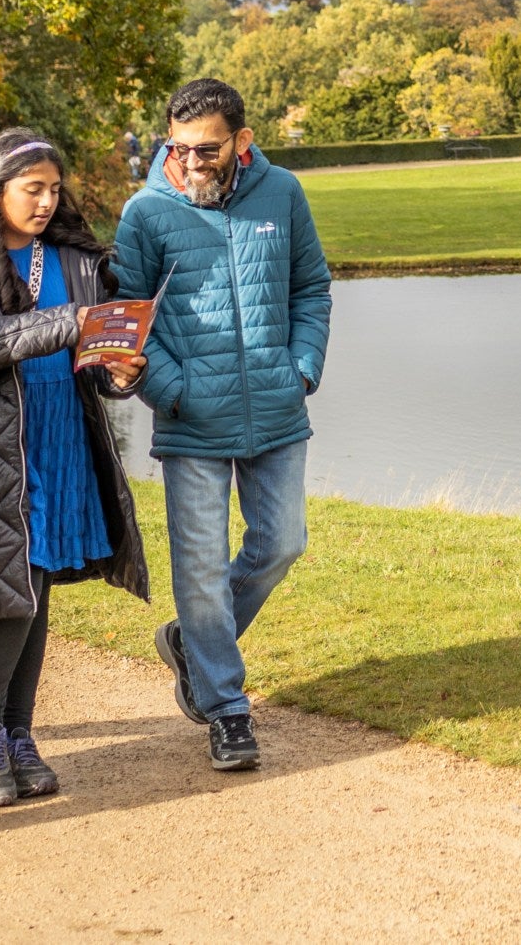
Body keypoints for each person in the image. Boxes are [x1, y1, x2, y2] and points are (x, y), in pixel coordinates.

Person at [0, 129, 151, 806]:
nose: (46, 202)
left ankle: (17, 732)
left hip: (62, 434)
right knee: (13, 587)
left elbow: (99, 361)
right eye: (31, 189)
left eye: (54, 189)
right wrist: (59, 326)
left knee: (35, 584)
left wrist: (124, 372)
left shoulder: (74, 257)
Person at [114, 78, 332, 773]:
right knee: (201, 568)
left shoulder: (283, 194)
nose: (193, 161)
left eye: (208, 148)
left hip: (276, 407)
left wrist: (301, 367)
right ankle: (227, 709)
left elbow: (311, 287)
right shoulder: (145, 213)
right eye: (179, 148)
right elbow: (126, 318)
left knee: (282, 544)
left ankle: (191, 642)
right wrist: (173, 391)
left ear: (242, 140)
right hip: (190, 420)